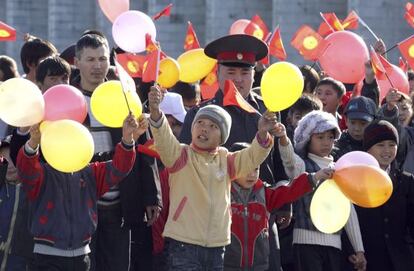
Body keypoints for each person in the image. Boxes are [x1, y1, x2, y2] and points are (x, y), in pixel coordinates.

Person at [178, 35, 289, 270]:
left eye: (245, 73)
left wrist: (283, 202)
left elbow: (276, 163)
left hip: (261, 214)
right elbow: (186, 165)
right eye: (231, 73)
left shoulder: (266, 112)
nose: (238, 80)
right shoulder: (201, 115)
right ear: (217, 73)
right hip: (216, 219)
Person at [148, 85, 276, 270]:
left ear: (223, 136)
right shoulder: (180, 155)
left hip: (218, 246)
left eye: (213, 126)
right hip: (183, 244)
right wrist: (155, 112)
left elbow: (252, 157)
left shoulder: (226, 159)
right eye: (200, 123)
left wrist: (263, 133)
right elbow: (164, 139)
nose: (205, 129)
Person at [72, 33, 160, 271]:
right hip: (79, 201)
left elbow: (145, 146)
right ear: (76, 62)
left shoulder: (123, 97)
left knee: (117, 264)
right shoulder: (67, 99)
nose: (97, 66)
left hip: (119, 201)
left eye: (102, 59)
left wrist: (152, 195)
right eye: (90, 59)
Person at [15, 114, 141, 271]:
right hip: (46, 257)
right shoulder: (43, 173)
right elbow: (26, 170)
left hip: (82, 256)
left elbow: (118, 168)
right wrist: (33, 143)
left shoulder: (90, 172)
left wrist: (128, 139)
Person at [224, 142, 332, 271]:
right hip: (226, 265)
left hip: (259, 266)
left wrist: (316, 176)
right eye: (246, 168)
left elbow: (290, 191)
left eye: (256, 169)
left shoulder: (264, 193)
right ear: (232, 167)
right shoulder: (221, 193)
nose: (252, 174)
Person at [279, 110, 366, 271]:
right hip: (306, 244)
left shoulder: (340, 169)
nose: (326, 142)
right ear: (307, 139)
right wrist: (284, 139)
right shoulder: (302, 165)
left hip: (334, 245)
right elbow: (289, 161)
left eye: (331, 137)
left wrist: (359, 249)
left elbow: (348, 212)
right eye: (320, 137)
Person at [356, 120, 414, 271]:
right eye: (380, 145)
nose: (387, 150)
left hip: (400, 260)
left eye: (392, 144)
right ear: (367, 148)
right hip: (366, 259)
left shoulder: (406, 181)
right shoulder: (355, 180)